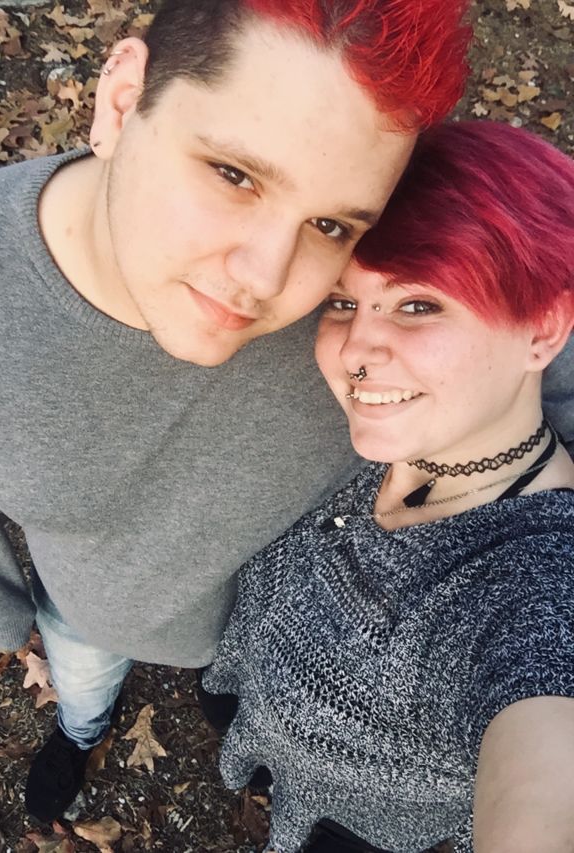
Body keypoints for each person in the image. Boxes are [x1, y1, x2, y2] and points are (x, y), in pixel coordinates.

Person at [0, 0, 474, 825]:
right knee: (84, 689)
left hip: (266, 629)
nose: (267, 277)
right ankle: (82, 730)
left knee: (235, 713)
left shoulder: (376, 299)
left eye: (329, 224)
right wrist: (4, 619)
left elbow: (534, 332)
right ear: (122, 100)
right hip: (90, 615)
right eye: (234, 175)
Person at [202, 121, 574, 853]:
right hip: (245, 694)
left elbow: (545, 770)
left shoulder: (532, 592)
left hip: (355, 826)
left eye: (418, 305)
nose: (355, 352)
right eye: (343, 302)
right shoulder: (392, 426)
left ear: (542, 328)